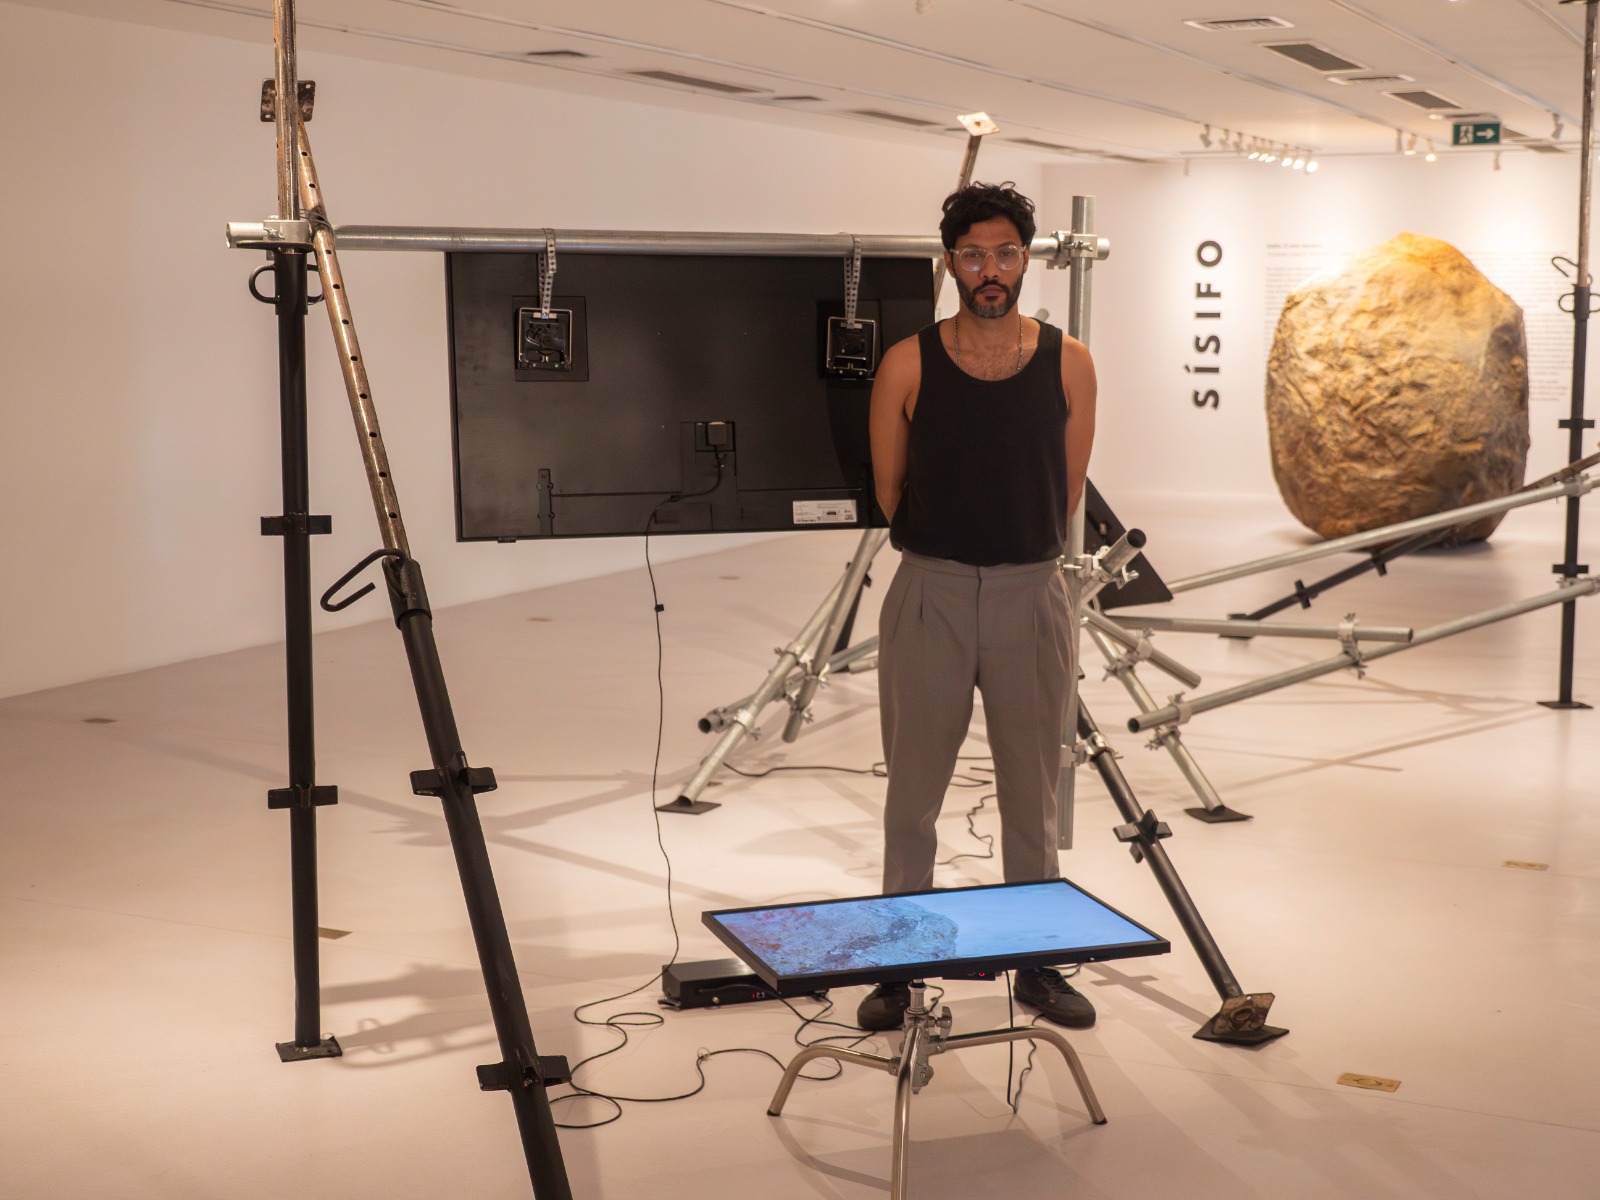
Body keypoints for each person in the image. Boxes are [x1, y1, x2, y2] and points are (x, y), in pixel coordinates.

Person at [859, 182, 1098, 1032]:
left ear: (1026, 259)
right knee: (912, 794)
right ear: (951, 263)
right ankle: (898, 965)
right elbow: (891, 491)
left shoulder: (1070, 363)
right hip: (932, 589)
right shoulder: (908, 362)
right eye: (972, 256)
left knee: (1032, 793)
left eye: (1004, 253)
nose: (989, 271)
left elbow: (1065, 489)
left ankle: (1036, 962)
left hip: (1032, 593)